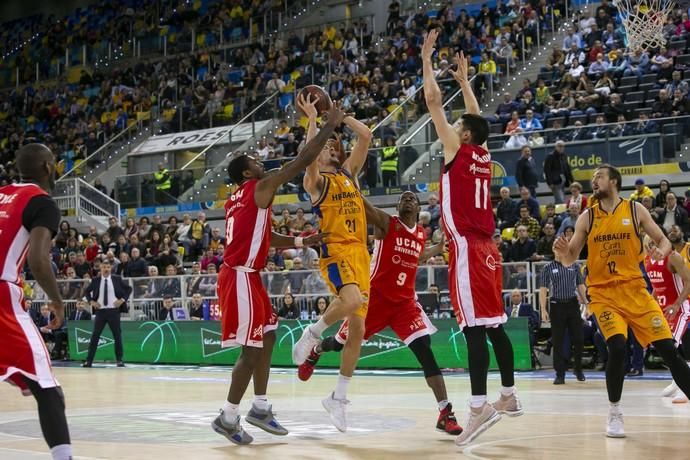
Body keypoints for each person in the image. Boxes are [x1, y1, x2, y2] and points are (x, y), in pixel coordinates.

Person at [212, 96, 344, 445]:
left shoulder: (238, 199)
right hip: (240, 276)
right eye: (255, 161)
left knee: (268, 335)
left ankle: (260, 406)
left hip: (247, 276)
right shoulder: (260, 187)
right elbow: (301, 161)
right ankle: (228, 416)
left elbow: (264, 237)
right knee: (252, 349)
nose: (261, 163)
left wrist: (302, 242)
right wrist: (328, 124)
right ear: (246, 173)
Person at [421, 30, 521, 447]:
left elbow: (431, 104)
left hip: (464, 244)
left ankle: (479, 407)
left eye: (458, 126)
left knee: (476, 329)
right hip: (488, 249)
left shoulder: (457, 150)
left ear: (462, 136)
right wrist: (465, 84)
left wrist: (426, 60)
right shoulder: (483, 152)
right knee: (495, 325)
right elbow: (476, 120)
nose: (455, 126)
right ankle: (510, 396)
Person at [297, 192, 462, 435]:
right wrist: (349, 181)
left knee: (425, 349)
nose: (407, 200)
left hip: (404, 304)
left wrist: (436, 247)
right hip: (374, 299)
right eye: (403, 198)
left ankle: (445, 412)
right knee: (341, 343)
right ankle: (317, 350)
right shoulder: (387, 223)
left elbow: (419, 255)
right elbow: (364, 205)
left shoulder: (420, 234)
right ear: (397, 206)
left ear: (418, 207)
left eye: (412, 198)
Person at [553, 164, 690, 438]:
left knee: (669, 351)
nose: (594, 181)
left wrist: (661, 254)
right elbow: (571, 258)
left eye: (599, 177)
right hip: (604, 294)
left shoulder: (635, 210)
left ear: (613, 181)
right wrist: (561, 254)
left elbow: (663, 241)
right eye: (592, 178)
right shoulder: (586, 218)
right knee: (616, 346)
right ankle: (614, 411)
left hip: (636, 291)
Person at [291, 92, 373, 433]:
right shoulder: (316, 181)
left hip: (360, 253)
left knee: (358, 331)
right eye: (327, 145)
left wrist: (341, 117)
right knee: (350, 301)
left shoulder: (349, 172)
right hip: (336, 250)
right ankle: (311, 333)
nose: (332, 147)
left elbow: (366, 135)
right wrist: (315, 121)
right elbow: (309, 155)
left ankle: (338, 398)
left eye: (335, 144)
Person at [0, 143, 72, 460]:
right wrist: (57, 300)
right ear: (47, 166)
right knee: (49, 390)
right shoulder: (41, 203)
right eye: (54, 163)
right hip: (2, 297)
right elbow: (38, 260)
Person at [643, 234, 690, 403]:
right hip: (663, 310)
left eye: (654, 243)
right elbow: (657, 286)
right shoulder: (648, 260)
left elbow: (688, 281)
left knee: (673, 346)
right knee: (667, 350)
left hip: (680, 308)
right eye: (648, 244)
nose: (651, 247)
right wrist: (650, 302)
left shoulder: (673, 257)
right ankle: (675, 382)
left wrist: (677, 304)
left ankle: (684, 388)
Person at [538, 254, 588, 384]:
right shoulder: (548, 267)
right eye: (557, 247)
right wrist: (543, 309)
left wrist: (588, 304)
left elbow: (581, 285)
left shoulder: (574, 265)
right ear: (554, 250)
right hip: (556, 305)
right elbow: (543, 289)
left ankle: (578, 368)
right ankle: (560, 374)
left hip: (572, 304)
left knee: (578, 339)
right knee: (558, 341)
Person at [82, 259, 132, 367]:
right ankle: (89, 361)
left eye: (108, 267)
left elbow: (129, 289)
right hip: (100, 312)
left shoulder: (117, 279)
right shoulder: (95, 280)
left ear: (111, 268)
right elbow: (86, 291)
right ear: (100, 268)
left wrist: (122, 300)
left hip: (113, 311)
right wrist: (91, 301)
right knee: (95, 336)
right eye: (104, 267)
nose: (106, 269)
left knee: (117, 335)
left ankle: (119, 360)